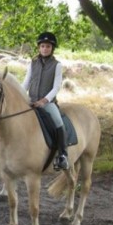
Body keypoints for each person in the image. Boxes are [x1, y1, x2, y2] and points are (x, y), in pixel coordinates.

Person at [22, 31, 69, 171]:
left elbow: (56, 87)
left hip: (47, 103)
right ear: (39, 47)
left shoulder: (57, 65)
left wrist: (44, 101)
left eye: (48, 46)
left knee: (58, 122)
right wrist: (20, 95)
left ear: (52, 48)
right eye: (42, 46)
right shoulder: (33, 63)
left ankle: (62, 156)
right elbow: (26, 82)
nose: (45, 49)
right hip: (30, 101)